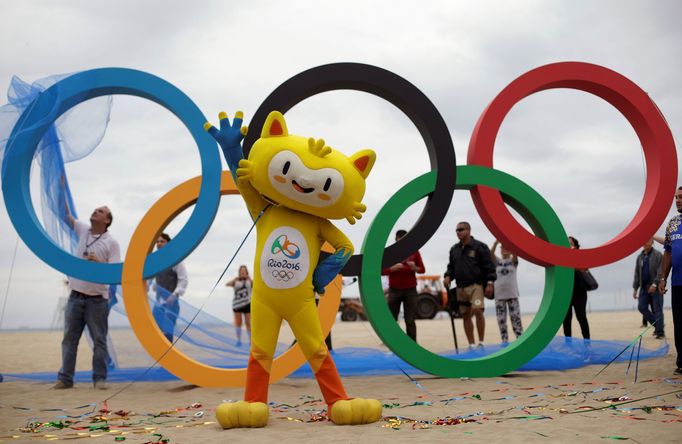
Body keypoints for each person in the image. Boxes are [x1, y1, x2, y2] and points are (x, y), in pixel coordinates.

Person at [54, 205, 120, 390]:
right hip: (75, 295)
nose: (95, 211)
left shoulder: (111, 243)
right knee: (69, 338)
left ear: (107, 220)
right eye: (95, 209)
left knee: (99, 340)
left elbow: (115, 272)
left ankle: (99, 379)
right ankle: (65, 379)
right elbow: (65, 215)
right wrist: (59, 185)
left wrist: (98, 263)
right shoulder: (83, 229)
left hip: (97, 299)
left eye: (100, 211)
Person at [443, 222, 496, 349]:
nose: (458, 232)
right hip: (460, 287)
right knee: (465, 314)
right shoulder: (454, 249)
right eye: (456, 230)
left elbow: (489, 266)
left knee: (477, 310)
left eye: (461, 229)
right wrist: (447, 276)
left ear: (468, 230)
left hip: (476, 286)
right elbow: (451, 267)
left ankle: (481, 342)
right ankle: (471, 344)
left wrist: (490, 283)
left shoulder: (480, 247)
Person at [382, 229, 425, 342]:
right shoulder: (390, 252)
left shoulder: (414, 252)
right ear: (396, 240)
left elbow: (422, 269)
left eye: (404, 240)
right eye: (399, 241)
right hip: (394, 290)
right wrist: (392, 268)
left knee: (410, 319)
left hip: (410, 290)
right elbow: (381, 270)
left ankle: (412, 345)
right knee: (392, 320)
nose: (401, 243)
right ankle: (393, 344)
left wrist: (414, 267)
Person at [658, 186, 682, 376]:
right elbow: (667, 252)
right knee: (679, 323)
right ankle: (681, 361)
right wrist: (663, 278)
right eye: (676, 197)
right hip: (677, 283)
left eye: (681, 197)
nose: (678, 201)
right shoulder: (672, 224)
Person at [151, 233, 188, 343]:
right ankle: (160, 358)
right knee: (155, 332)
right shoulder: (155, 262)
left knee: (167, 333)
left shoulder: (176, 261)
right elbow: (149, 278)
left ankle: (167, 358)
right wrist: (154, 286)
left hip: (171, 304)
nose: (159, 244)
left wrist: (174, 295)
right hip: (158, 303)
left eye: (162, 241)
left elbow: (183, 280)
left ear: (168, 244)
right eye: (157, 242)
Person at [490, 240, 523, 344]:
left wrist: (511, 246)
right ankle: (504, 341)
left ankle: (520, 339)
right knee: (501, 320)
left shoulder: (513, 261)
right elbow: (490, 255)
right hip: (499, 295)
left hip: (512, 295)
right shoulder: (497, 262)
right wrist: (496, 243)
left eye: (506, 247)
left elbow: (516, 255)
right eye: (502, 248)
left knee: (516, 319)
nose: (504, 249)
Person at [632, 238, 664, 339]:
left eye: (648, 240)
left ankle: (660, 333)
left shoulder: (658, 255)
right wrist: (635, 288)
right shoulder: (640, 257)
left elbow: (660, 271)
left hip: (656, 287)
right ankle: (658, 325)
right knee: (641, 307)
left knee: (657, 310)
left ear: (652, 242)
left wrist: (655, 284)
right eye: (643, 240)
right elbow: (637, 273)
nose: (645, 242)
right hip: (644, 287)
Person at [562, 236, 591, 339]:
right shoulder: (561, 258)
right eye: (567, 244)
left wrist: (574, 256)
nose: (569, 246)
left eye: (571, 244)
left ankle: (587, 341)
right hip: (566, 292)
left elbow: (585, 267)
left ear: (575, 245)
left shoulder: (580, 256)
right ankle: (568, 341)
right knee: (566, 318)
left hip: (580, 292)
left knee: (581, 317)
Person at [226, 265, 252, 347]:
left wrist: (249, 279)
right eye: (241, 270)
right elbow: (227, 284)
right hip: (237, 304)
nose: (243, 272)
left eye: (244, 270)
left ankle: (251, 341)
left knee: (248, 323)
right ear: (239, 272)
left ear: (246, 272)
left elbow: (256, 286)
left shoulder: (249, 280)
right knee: (238, 323)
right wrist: (234, 279)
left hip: (247, 303)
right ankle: (238, 340)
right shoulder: (236, 281)